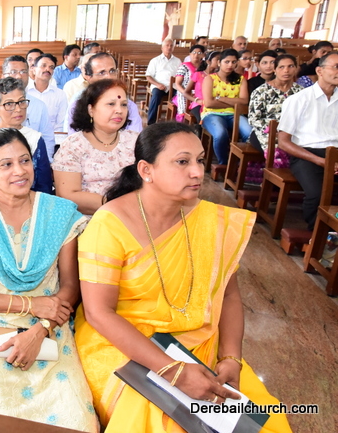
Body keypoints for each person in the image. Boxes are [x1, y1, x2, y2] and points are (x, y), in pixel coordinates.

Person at [74, 122, 291, 432]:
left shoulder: (209, 220)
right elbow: (99, 313)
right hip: (124, 343)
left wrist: (232, 358)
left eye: (200, 160)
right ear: (146, 170)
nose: (197, 172)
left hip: (198, 339)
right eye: (182, 161)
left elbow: (228, 294)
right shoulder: (110, 223)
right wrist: (172, 371)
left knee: (257, 424)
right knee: (157, 422)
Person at [0, 129, 98, 431]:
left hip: (51, 325)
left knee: (77, 421)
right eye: (6, 164)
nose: (19, 171)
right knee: (4, 421)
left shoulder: (59, 214)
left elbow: (70, 287)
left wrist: (41, 329)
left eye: (25, 160)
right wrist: (31, 305)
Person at [54, 79, 138, 216]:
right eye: (111, 104)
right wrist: (120, 207)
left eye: (123, 105)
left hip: (135, 217)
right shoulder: (73, 146)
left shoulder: (135, 141)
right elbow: (67, 195)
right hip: (88, 221)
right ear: (91, 109)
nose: (119, 110)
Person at [279, 51, 338, 230]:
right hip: (307, 155)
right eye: (336, 67)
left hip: (335, 153)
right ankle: (318, 234)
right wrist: (319, 160)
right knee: (317, 194)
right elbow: (283, 142)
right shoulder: (299, 99)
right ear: (320, 71)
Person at [0, 55, 55, 156]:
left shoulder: (40, 106)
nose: (18, 76)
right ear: (3, 76)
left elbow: (48, 139)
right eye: (13, 72)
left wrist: (45, 160)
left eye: (23, 72)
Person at [64, 52, 143, 134]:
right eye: (102, 73)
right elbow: (73, 136)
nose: (109, 77)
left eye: (112, 71)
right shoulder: (77, 105)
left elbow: (135, 137)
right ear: (88, 77)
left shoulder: (129, 106)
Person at [247, 55, 302, 169]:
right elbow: (254, 119)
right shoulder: (261, 91)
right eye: (281, 67)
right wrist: (275, 131)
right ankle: (275, 178)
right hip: (265, 133)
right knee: (279, 153)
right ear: (275, 69)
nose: (286, 70)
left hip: (294, 133)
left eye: (290, 66)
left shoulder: (301, 92)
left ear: (296, 68)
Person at [201, 49, 251, 165]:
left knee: (249, 132)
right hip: (212, 114)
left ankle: (241, 164)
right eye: (226, 62)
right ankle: (224, 164)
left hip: (234, 114)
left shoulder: (241, 80)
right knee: (220, 134)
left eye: (233, 62)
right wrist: (233, 102)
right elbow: (209, 103)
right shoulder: (210, 79)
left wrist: (221, 98)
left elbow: (244, 101)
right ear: (219, 62)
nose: (230, 65)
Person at [29, 53, 68, 136]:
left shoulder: (60, 95)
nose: (47, 69)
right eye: (43, 66)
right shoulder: (25, 92)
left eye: (51, 67)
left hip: (51, 138)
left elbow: (60, 124)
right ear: (34, 70)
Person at [145, 38, 182, 125]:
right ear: (162, 48)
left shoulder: (178, 61)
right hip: (159, 86)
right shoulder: (155, 60)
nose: (169, 47)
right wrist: (158, 84)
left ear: (173, 48)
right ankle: (151, 123)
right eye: (167, 45)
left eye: (171, 46)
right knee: (156, 97)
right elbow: (148, 76)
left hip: (173, 86)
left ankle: (176, 123)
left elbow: (180, 75)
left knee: (181, 98)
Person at [172, 44, 206, 122]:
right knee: (184, 109)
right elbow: (177, 84)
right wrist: (186, 93)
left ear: (203, 55)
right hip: (184, 92)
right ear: (190, 54)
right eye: (194, 52)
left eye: (199, 53)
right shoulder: (184, 66)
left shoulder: (205, 67)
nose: (196, 55)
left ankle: (199, 124)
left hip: (199, 93)